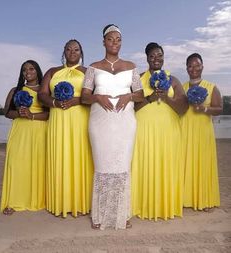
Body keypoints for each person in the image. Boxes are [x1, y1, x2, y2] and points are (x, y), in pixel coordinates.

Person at [81, 24, 144, 230]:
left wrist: (129, 95)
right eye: (111, 39)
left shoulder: (131, 66)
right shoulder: (93, 67)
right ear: (103, 42)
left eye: (118, 39)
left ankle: (122, 215)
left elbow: (141, 95)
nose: (115, 43)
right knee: (103, 166)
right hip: (100, 123)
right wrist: (98, 96)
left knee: (122, 166)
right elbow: (84, 97)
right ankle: (99, 216)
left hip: (125, 122)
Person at [131, 42, 188, 220]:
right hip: (144, 130)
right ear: (147, 58)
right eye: (152, 55)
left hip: (167, 130)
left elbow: (183, 108)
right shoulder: (138, 78)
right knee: (144, 163)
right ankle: (141, 205)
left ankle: (165, 205)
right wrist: (150, 97)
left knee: (166, 164)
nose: (156, 58)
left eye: (159, 55)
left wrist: (166, 98)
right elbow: (131, 106)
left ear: (163, 57)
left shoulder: (173, 79)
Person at [38, 39, 94, 218]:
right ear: (64, 51)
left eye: (76, 49)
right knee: (60, 155)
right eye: (69, 49)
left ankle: (81, 202)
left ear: (81, 53)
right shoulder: (52, 71)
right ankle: (60, 201)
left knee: (81, 155)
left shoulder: (88, 72)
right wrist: (54, 102)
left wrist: (76, 100)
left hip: (80, 118)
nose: (72, 52)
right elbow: (41, 94)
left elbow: (94, 96)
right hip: (58, 118)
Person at [0, 60, 48, 215]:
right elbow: (7, 112)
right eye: (24, 69)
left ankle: (38, 200)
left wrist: (32, 115)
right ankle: (13, 201)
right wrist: (19, 113)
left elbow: (49, 114)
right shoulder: (15, 90)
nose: (28, 71)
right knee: (16, 164)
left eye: (31, 68)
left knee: (37, 165)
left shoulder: (44, 90)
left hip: (39, 130)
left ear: (37, 70)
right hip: (20, 131)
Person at [181, 53, 222, 211]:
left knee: (202, 164)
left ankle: (204, 200)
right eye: (190, 66)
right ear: (186, 69)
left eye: (197, 65)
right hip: (185, 131)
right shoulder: (182, 88)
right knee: (185, 163)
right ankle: (185, 199)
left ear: (202, 66)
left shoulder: (212, 87)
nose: (194, 69)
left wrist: (204, 108)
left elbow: (219, 109)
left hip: (203, 132)